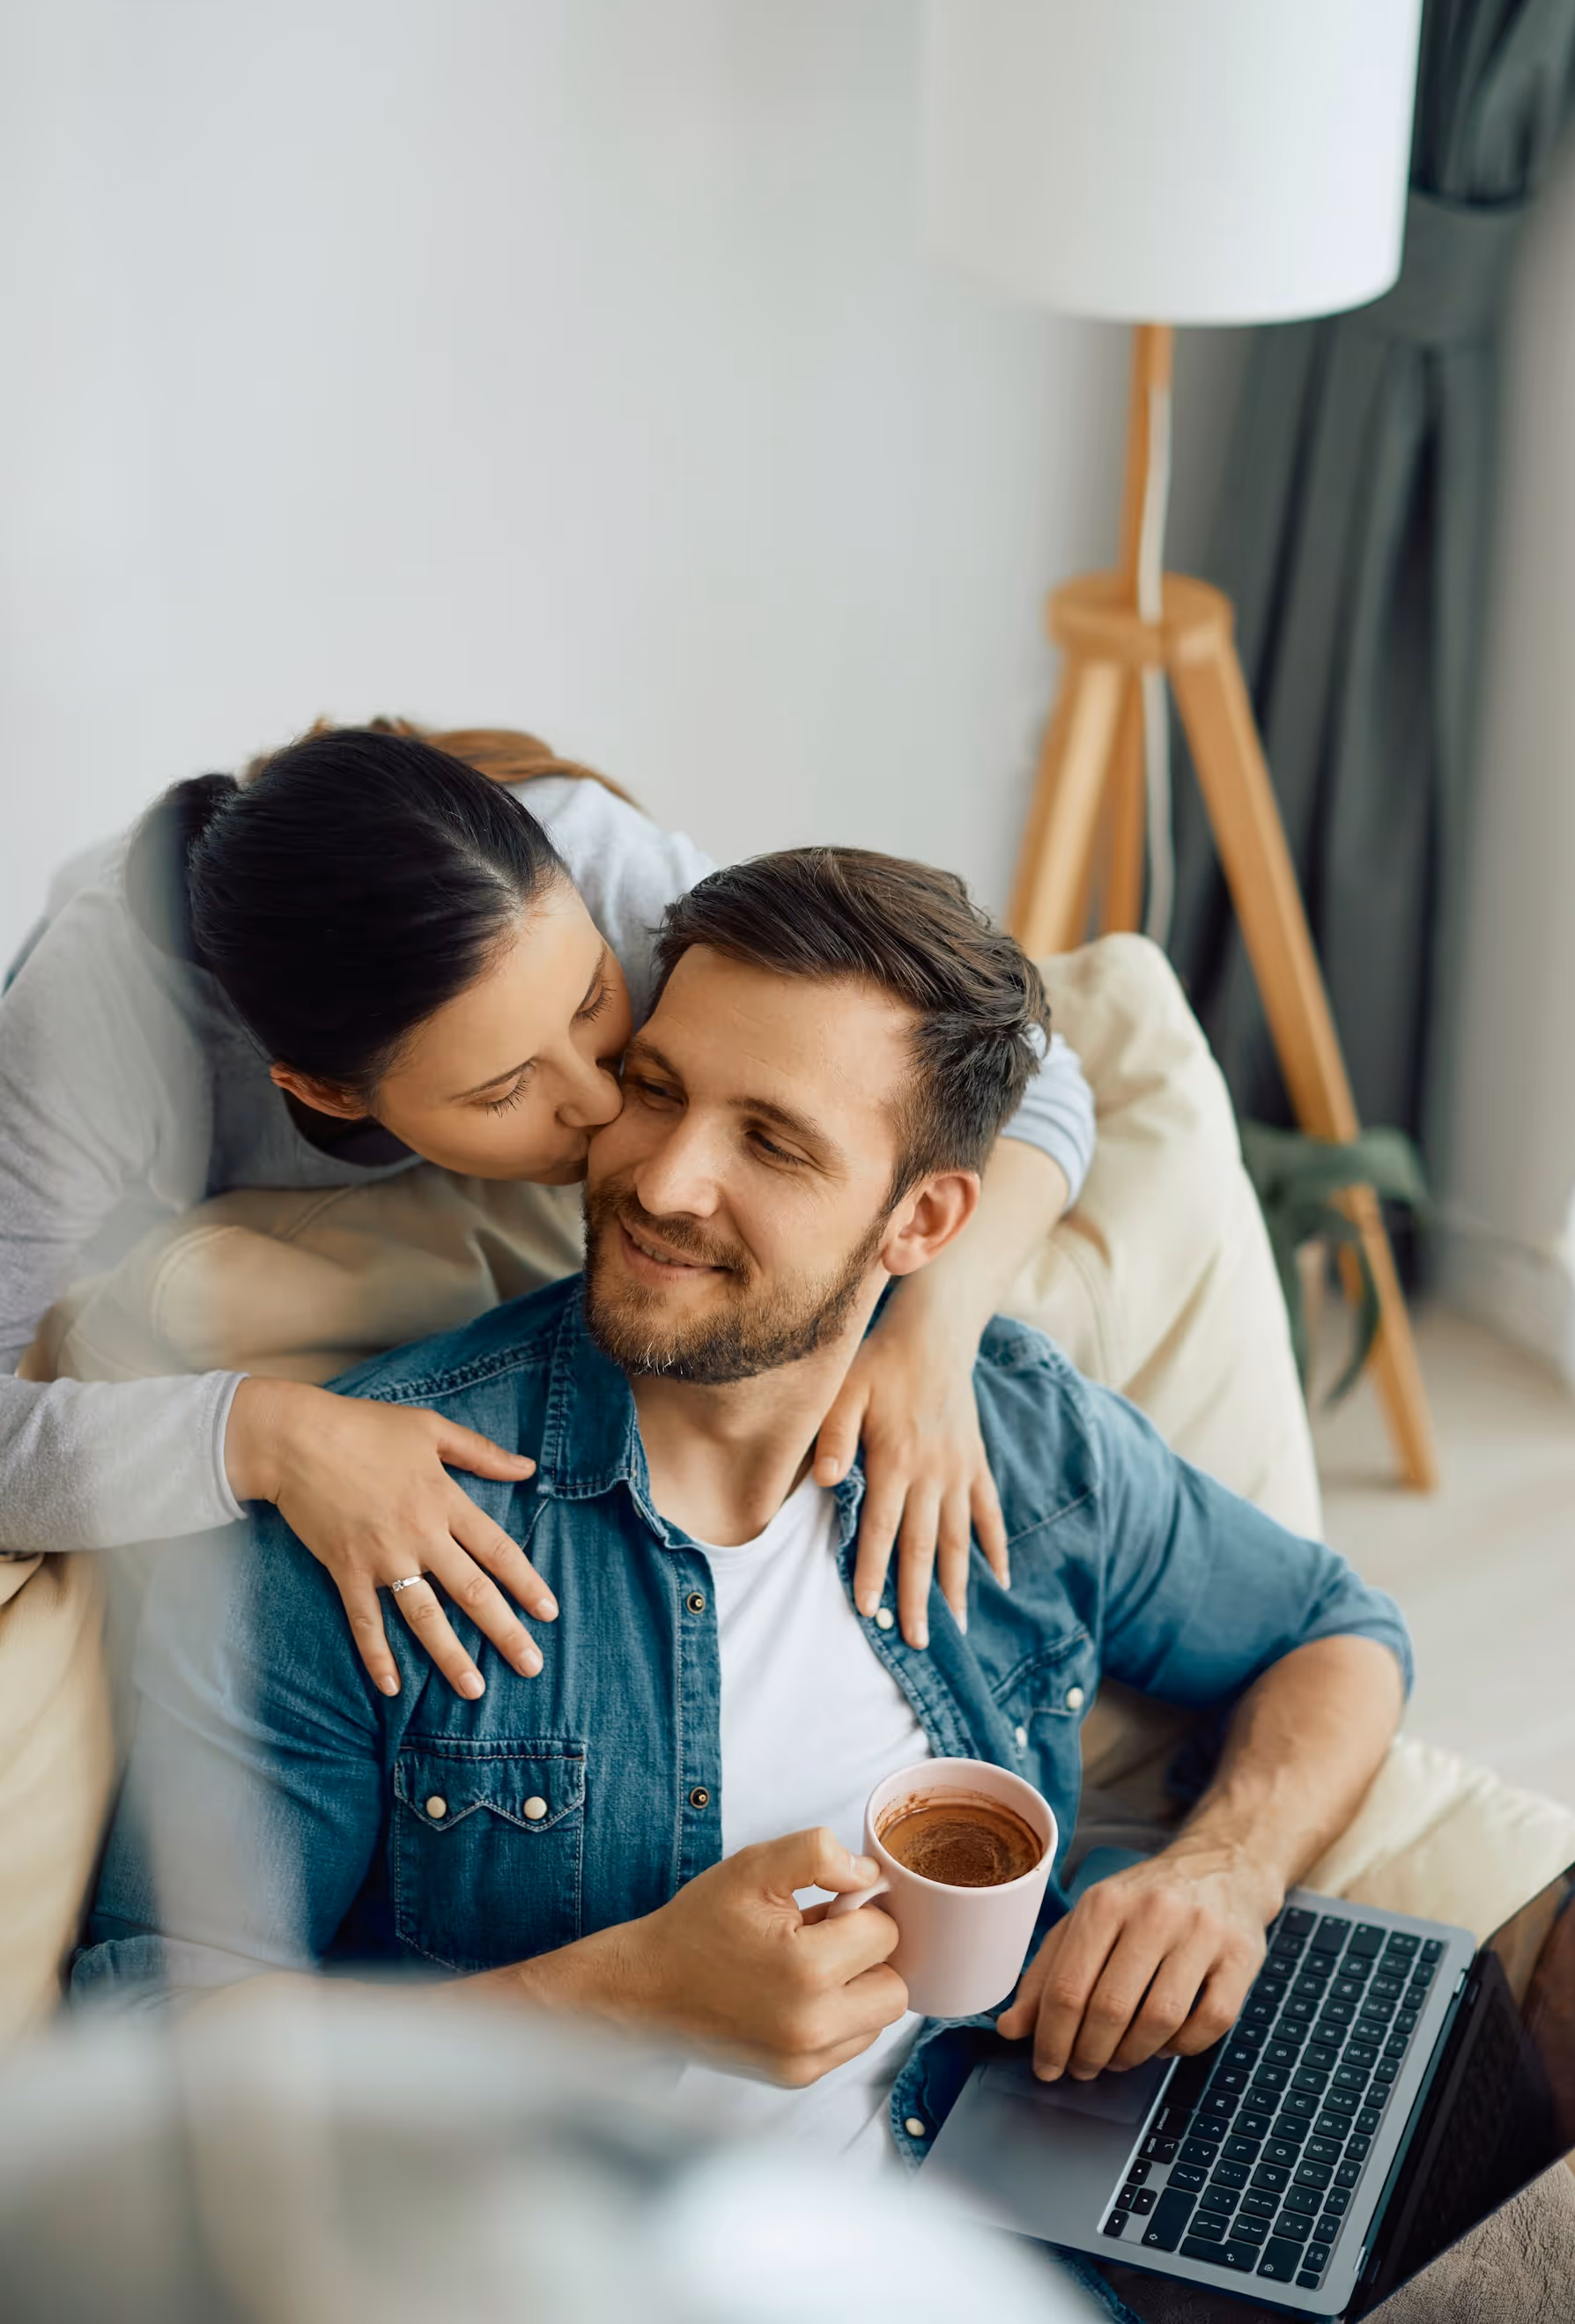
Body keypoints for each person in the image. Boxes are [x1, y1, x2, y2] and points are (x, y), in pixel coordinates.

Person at [77, 846, 1410, 2298]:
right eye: (654, 1088)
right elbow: (145, 2051)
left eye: (773, 1142)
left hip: (984, 2221)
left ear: (923, 1224)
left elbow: (1334, 1632)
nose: (663, 1177)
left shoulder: (1023, 1445)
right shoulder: (376, 1517)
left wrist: (1224, 1872)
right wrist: (624, 1994)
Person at [0, 722, 1097, 1688]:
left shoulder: (582, 855)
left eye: (591, 1004)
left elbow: (1030, 1074)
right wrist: (269, 1432)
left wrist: (934, 1343)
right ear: (325, 1090)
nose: (607, 1098)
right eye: (505, 1089)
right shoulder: (84, 1050)